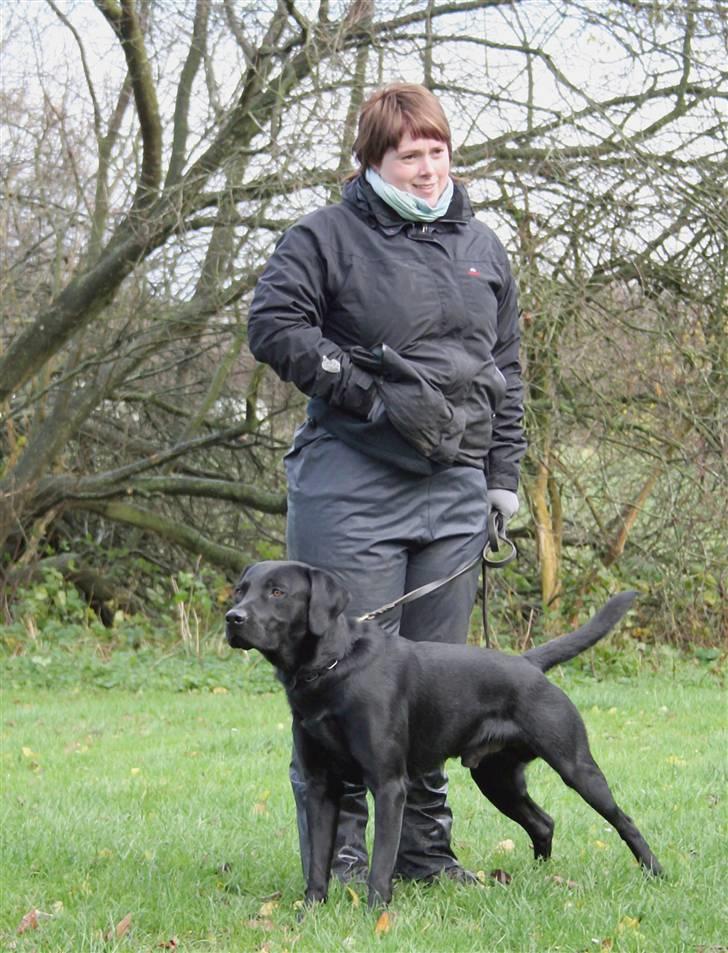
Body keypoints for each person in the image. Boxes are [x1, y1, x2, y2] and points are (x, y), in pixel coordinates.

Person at [247, 82, 526, 886]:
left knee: (431, 679)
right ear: (374, 159)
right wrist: (363, 390)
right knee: (339, 672)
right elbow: (274, 324)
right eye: (411, 155)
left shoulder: (483, 245)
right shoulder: (325, 237)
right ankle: (337, 847)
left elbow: (507, 370)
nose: (429, 168)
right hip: (352, 481)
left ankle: (423, 851)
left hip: (453, 490)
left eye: (438, 151)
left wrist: (500, 480)